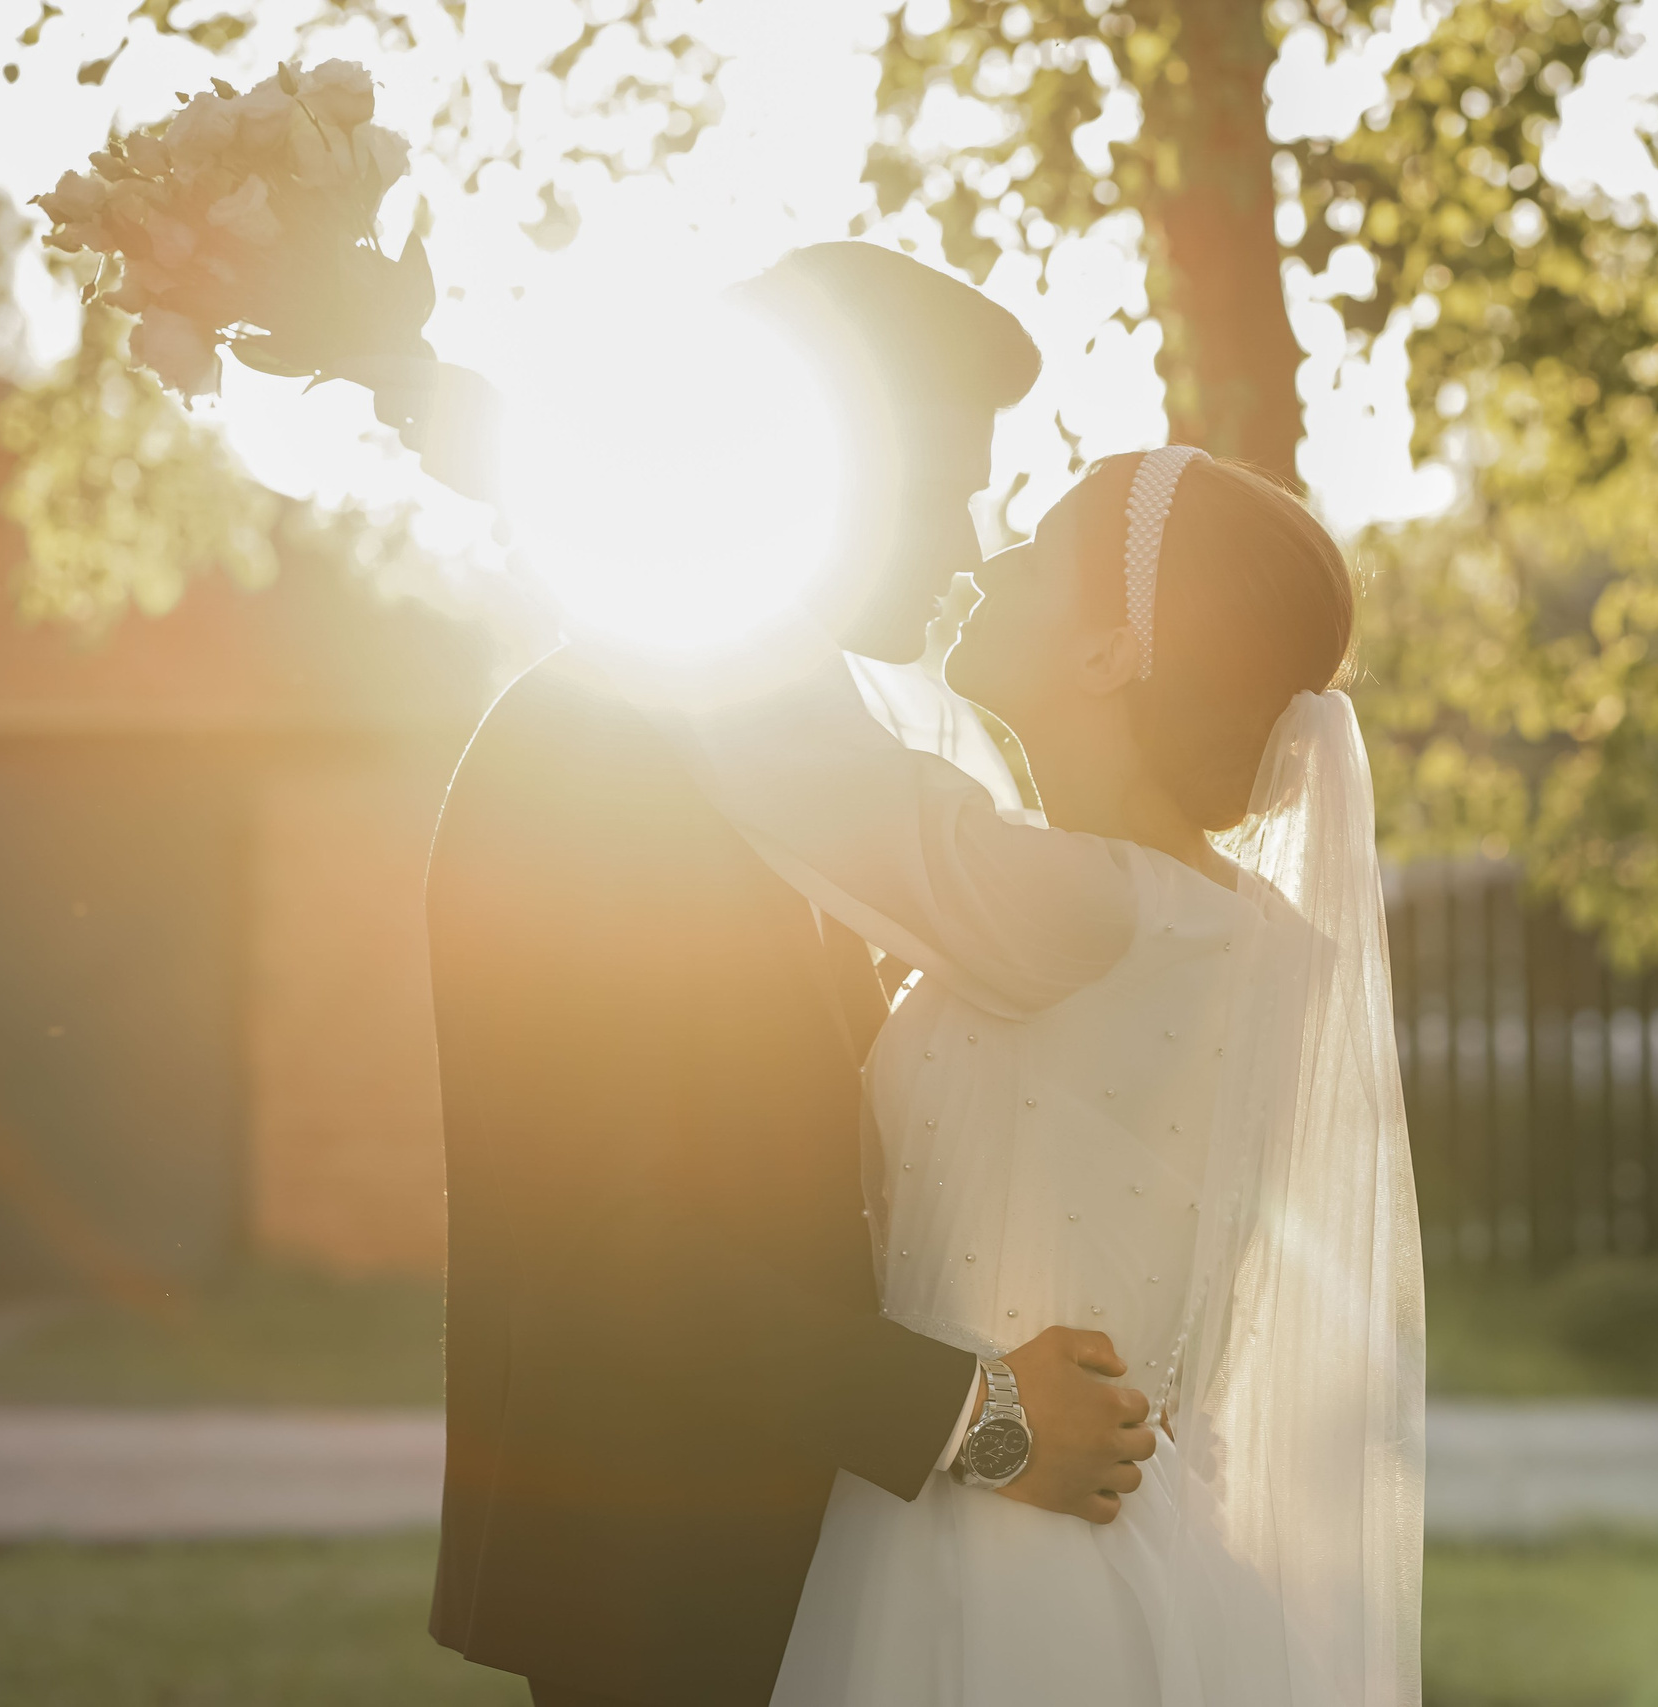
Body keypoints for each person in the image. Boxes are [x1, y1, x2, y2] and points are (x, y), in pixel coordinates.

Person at [415, 243, 1164, 1707]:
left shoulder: (767, 746)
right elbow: (607, 1261)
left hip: (781, 1557)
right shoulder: (592, 754)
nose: (965, 543)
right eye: (945, 486)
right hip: (666, 1582)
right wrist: (983, 1418)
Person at [668, 447, 1427, 1705]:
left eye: (1034, 546)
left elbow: (790, 755)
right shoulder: (1247, 938)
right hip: (1120, 1537)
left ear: (1105, 654)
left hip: (986, 1553)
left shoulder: (1087, 911)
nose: (983, 560)